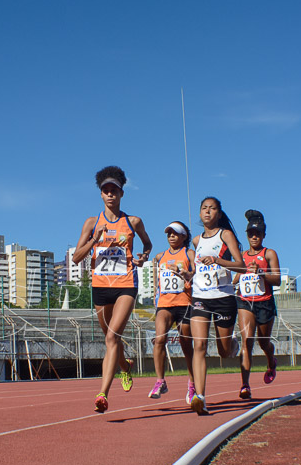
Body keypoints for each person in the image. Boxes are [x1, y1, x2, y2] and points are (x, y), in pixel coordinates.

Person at [73, 166, 151, 413]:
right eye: (105, 191)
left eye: (114, 191)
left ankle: (102, 394)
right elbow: (76, 257)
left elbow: (147, 245)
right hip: (100, 286)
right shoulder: (92, 223)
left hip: (126, 285)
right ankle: (125, 367)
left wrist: (142, 257)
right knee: (110, 338)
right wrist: (95, 239)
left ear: (121, 193)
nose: (110, 195)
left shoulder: (133, 222)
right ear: (101, 194)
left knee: (111, 337)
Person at [188, 197, 245, 415]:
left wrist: (219, 261)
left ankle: (232, 344)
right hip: (200, 297)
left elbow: (241, 266)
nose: (208, 212)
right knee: (199, 346)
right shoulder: (196, 241)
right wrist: (188, 275)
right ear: (200, 213)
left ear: (219, 214)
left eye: (212, 209)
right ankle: (200, 397)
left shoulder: (225, 235)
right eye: (204, 208)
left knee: (223, 352)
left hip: (223, 298)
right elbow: (198, 269)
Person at [235, 210, 280, 399]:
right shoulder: (242, 256)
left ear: (263, 235)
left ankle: (271, 360)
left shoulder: (269, 253)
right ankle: (245, 384)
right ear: (247, 235)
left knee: (263, 342)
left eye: (258, 233)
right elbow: (236, 276)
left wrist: (260, 273)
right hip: (245, 302)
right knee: (247, 341)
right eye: (251, 234)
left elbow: (277, 279)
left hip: (265, 303)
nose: (254, 237)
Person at [149, 221, 196, 399]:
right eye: (169, 233)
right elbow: (157, 280)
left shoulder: (189, 253)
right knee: (159, 339)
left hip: (184, 303)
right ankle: (160, 381)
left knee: (186, 345)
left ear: (184, 236)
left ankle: (192, 383)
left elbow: (196, 273)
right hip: (165, 304)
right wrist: (156, 296)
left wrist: (185, 274)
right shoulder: (160, 256)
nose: (171, 236)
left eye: (175, 233)